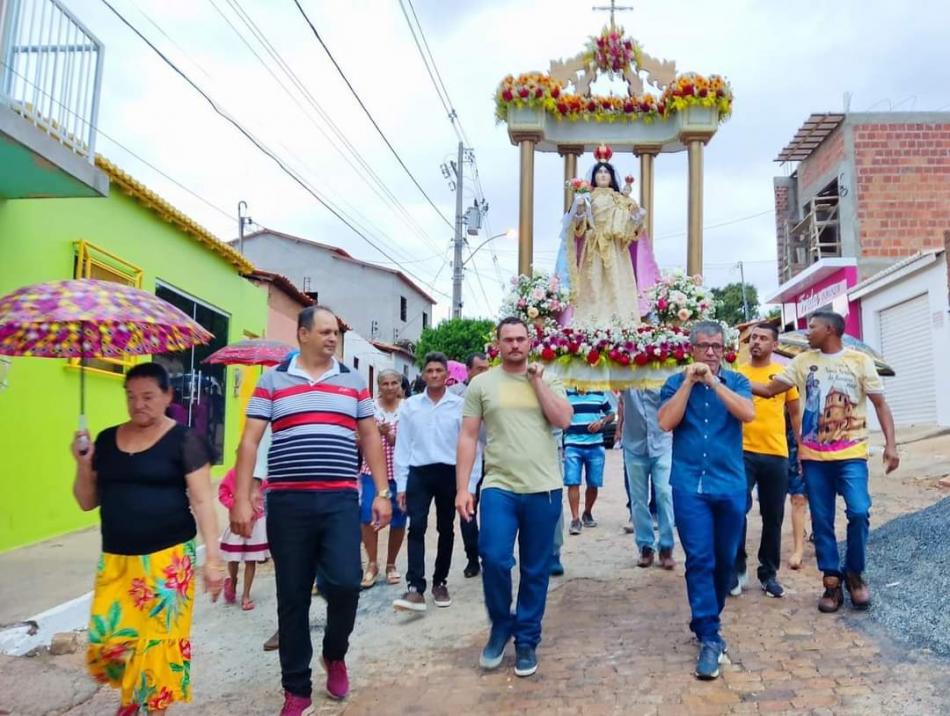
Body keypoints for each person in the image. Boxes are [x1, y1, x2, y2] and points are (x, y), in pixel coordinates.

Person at [230, 306, 392, 711]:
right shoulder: (272, 382)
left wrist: (383, 491)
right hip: (287, 503)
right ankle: (296, 690)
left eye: (335, 332)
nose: (332, 338)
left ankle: (334, 653)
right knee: (293, 595)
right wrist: (240, 496)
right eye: (323, 332)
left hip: (339, 500)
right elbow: (250, 440)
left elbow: (370, 437)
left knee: (345, 583)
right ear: (302, 334)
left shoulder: (353, 382)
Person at [71, 362, 224, 715]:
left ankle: (151, 707)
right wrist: (83, 463)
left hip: (167, 561)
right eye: (131, 397)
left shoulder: (185, 440)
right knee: (112, 642)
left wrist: (213, 561)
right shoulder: (107, 440)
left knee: (157, 647)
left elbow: (202, 502)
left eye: (148, 397)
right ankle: (132, 696)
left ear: (168, 396)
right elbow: (85, 501)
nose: (138, 404)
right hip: (117, 560)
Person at [750, 311, 899, 613]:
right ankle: (831, 581)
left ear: (830, 330)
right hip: (815, 458)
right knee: (821, 520)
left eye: (812, 327)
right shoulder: (802, 362)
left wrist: (891, 445)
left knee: (859, 512)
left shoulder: (860, 362)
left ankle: (854, 573)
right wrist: (729, 379)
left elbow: (880, 405)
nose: (807, 332)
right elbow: (768, 390)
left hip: (852, 456)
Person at [457, 317, 573, 678]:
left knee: (536, 568)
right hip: (499, 486)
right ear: (498, 343)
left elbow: (563, 420)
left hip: (544, 488)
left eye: (521, 339)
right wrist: (462, 487)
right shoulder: (481, 384)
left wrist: (537, 382)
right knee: (493, 556)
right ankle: (500, 624)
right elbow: (468, 436)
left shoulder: (548, 377)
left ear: (530, 341)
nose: (515, 345)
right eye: (508, 339)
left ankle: (526, 639)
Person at [658, 321, 754, 680]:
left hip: (729, 484)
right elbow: (666, 421)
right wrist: (688, 383)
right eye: (703, 346)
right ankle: (710, 636)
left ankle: (705, 620)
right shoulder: (673, 383)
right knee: (699, 559)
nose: (710, 352)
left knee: (724, 561)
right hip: (689, 486)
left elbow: (748, 413)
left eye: (716, 346)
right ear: (692, 349)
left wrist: (714, 383)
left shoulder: (738, 382)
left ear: (724, 349)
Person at [392, 353, 479, 612]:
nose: (433, 375)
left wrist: (468, 485)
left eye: (438, 370)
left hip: (448, 472)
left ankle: (440, 582)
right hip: (419, 472)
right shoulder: (410, 406)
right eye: (429, 370)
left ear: (446, 375)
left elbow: (470, 444)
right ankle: (415, 587)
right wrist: (401, 484)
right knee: (416, 527)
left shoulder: (459, 406)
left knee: (446, 528)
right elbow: (403, 446)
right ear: (423, 375)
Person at [554, 144, 660, 328]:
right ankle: (589, 325)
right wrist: (579, 212)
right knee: (592, 286)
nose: (602, 174)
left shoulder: (620, 199)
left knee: (617, 285)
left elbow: (631, 230)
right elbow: (577, 229)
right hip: (592, 249)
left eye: (606, 172)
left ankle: (621, 324)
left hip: (616, 250)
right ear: (594, 176)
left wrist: (636, 218)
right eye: (599, 172)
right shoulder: (587, 198)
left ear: (611, 177)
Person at [732, 323, 801, 599]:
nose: (756, 342)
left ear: (775, 345)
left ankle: (768, 573)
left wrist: (802, 447)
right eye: (753, 338)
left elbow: (795, 413)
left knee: (773, 516)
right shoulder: (737, 374)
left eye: (762, 338)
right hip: (742, 452)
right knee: (736, 509)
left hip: (776, 453)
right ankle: (736, 569)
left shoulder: (783, 376)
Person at [358, 369, 407, 590]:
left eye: (394, 383)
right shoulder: (369, 407)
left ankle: (390, 564)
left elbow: (411, 442)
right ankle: (372, 563)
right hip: (371, 472)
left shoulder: (407, 408)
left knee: (398, 518)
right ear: (379, 385)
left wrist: (391, 436)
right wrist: (374, 433)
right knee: (367, 516)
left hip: (399, 473)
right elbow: (357, 439)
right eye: (385, 383)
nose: (389, 387)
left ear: (400, 385)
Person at [621, 388, 676, 569]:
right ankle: (645, 546)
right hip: (634, 445)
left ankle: (666, 546)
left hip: (662, 441)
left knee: (665, 494)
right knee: (638, 499)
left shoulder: (663, 367)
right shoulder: (624, 369)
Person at [456, 352, 491, 578]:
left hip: (493, 459)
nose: (484, 373)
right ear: (468, 370)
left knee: (493, 510)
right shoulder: (456, 395)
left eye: (487, 369)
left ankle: (492, 554)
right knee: (468, 511)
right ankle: (472, 558)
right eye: (479, 369)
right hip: (468, 460)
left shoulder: (497, 392)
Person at [563, 388, 615, 534]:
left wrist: (602, 422)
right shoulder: (566, 394)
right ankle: (575, 518)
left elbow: (611, 413)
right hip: (572, 444)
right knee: (572, 481)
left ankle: (587, 511)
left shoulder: (599, 393)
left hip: (595, 444)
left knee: (593, 483)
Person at [218, 465, 269, 610]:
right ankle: (233, 581)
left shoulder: (260, 475)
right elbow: (223, 492)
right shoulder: (233, 473)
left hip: (256, 522)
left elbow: (268, 488)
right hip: (239, 520)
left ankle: (246, 595)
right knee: (233, 558)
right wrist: (234, 506)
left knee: (250, 559)